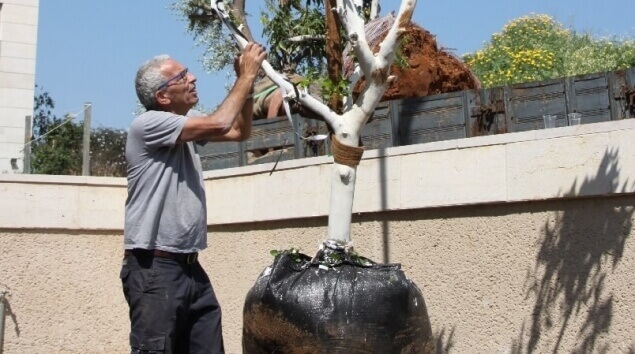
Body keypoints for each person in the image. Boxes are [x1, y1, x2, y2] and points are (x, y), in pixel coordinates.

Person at [120, 42, 266, 354]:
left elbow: (239, 130)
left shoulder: (185, 125)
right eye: (182, 76)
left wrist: (249, 82)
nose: (193, 78)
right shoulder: (148, 124)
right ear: (162, 96)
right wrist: (245, 76)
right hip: (154, 269)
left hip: (189, 267)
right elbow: (221, 122)